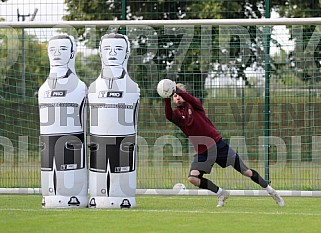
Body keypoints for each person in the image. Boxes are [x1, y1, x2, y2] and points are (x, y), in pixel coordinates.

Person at [161, 80, 285, 207]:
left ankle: (271, 191)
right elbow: (168, 115)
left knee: (245, 171)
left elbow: (190, 99)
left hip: (218, 145)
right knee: (192, 178)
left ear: (184, 94)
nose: (177, 97)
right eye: (174, 96)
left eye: (179, 94)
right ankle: (221, 193)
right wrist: (166, 97)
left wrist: (175, 88)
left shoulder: (194, 105)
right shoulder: (176, 115)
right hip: (203, 152)